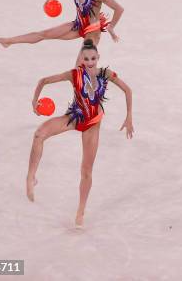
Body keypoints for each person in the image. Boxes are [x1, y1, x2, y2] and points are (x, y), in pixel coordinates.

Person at [26, 39, 134, 228]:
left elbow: (127, 89)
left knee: (86, 171)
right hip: (74, 117)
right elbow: (43, 80)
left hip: (92, 124)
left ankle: (80, 211)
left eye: (93, 58)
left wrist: (129, 117)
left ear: (98, 57)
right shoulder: (74, 74)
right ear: (81, 59)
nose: (90, 62)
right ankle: (31, 177)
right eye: (86, 59)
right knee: (39, 134)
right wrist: (35, 102)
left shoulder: (105, 74)